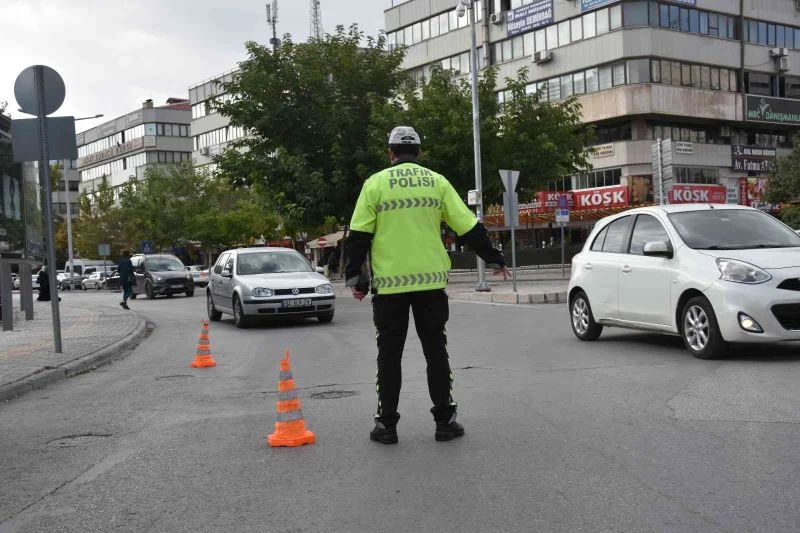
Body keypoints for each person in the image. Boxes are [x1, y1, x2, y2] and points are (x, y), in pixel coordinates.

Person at [344, 125, 510, 445]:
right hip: (430, 286)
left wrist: (358, 279)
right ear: (418, 153)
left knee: (389, 356)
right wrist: (494, 258)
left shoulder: (375, 184)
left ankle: (386, 425)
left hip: (390, 290)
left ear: (390, 153)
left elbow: (358, 236)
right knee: (436, 352)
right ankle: (445, 422)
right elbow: (468, 226)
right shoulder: (437, 182)